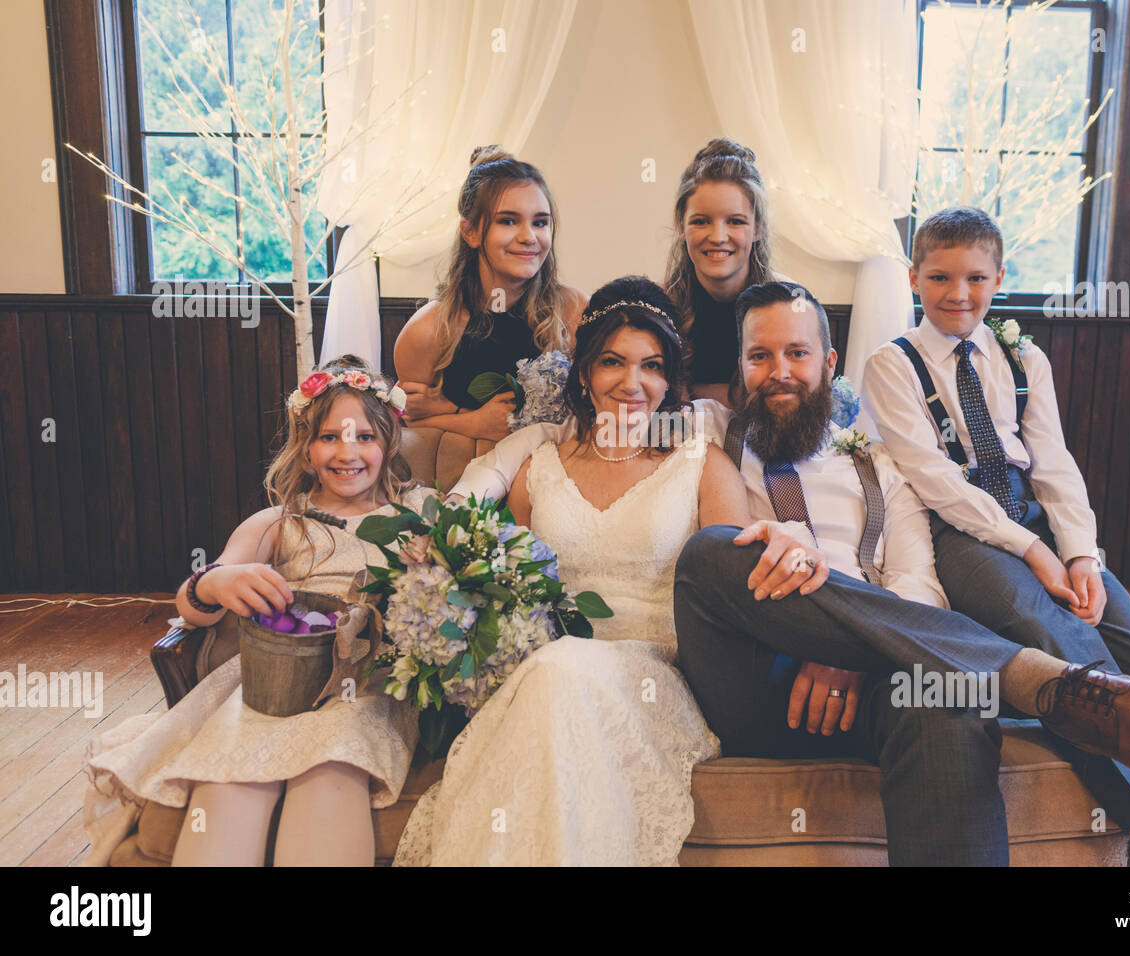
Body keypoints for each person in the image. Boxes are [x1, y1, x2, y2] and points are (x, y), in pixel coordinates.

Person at [670, 281, 1130, 866]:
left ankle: (1073, 717)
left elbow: (918, 580)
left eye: (797, 353)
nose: (780, 372)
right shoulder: (707, 433)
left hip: (876, 673)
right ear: (738, 370)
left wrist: (848, 650)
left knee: (948, 696)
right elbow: (626, 405)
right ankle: (1035, 678)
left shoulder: (879, 461)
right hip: (762, 680)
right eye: (759, 357)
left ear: (828, 363)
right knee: (712, 552)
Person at [862, 207, 1130, 865]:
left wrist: (1080, 555)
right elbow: (934, 481)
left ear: (1000, 276)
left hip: (1031, 516)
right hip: (962, 533)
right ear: (913, 279)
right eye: (940, 277)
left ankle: (1118, 809)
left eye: (976, 278)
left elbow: (1054, 462)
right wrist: (1033, 553)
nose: (958, 294)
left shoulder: (1022, 356)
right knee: (1055, 633)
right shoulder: (891, 365)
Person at [393, 277, 752, 865]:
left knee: (557, 673)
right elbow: (511, 591)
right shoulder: (539, 466)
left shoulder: (703, 465)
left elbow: (731, 598)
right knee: (552, 679)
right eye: (612, 361)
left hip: (658, 679)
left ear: (669, 379)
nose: (632, 383)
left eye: (652, 366)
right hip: (548, 678)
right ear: (583, 371)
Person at [82, 356, 438, 866]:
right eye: (330, 437)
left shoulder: (421, 512)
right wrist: (218, 582)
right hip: (274, 680)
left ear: (389, 442)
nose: (347, 452)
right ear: (307, 447)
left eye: (364, 436)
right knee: (232, 774)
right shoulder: (279, 522)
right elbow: (191, 606)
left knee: (331, 769)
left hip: (366, 681)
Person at [393, 146, 587, 441]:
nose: (528, 237)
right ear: (470, 232)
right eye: (508, 221)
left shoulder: (574, 311)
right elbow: (406, 430)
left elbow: (595, 416)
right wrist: (470, 421)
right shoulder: (428, 332)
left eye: (540, 222)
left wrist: (449, 411)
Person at [664, 138, 777, 407]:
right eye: (701, 221)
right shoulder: (660, 304)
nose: (718, 237)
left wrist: (698, 393)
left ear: (757, 228)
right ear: (681, 226)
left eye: (735, 221)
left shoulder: (787, 304)